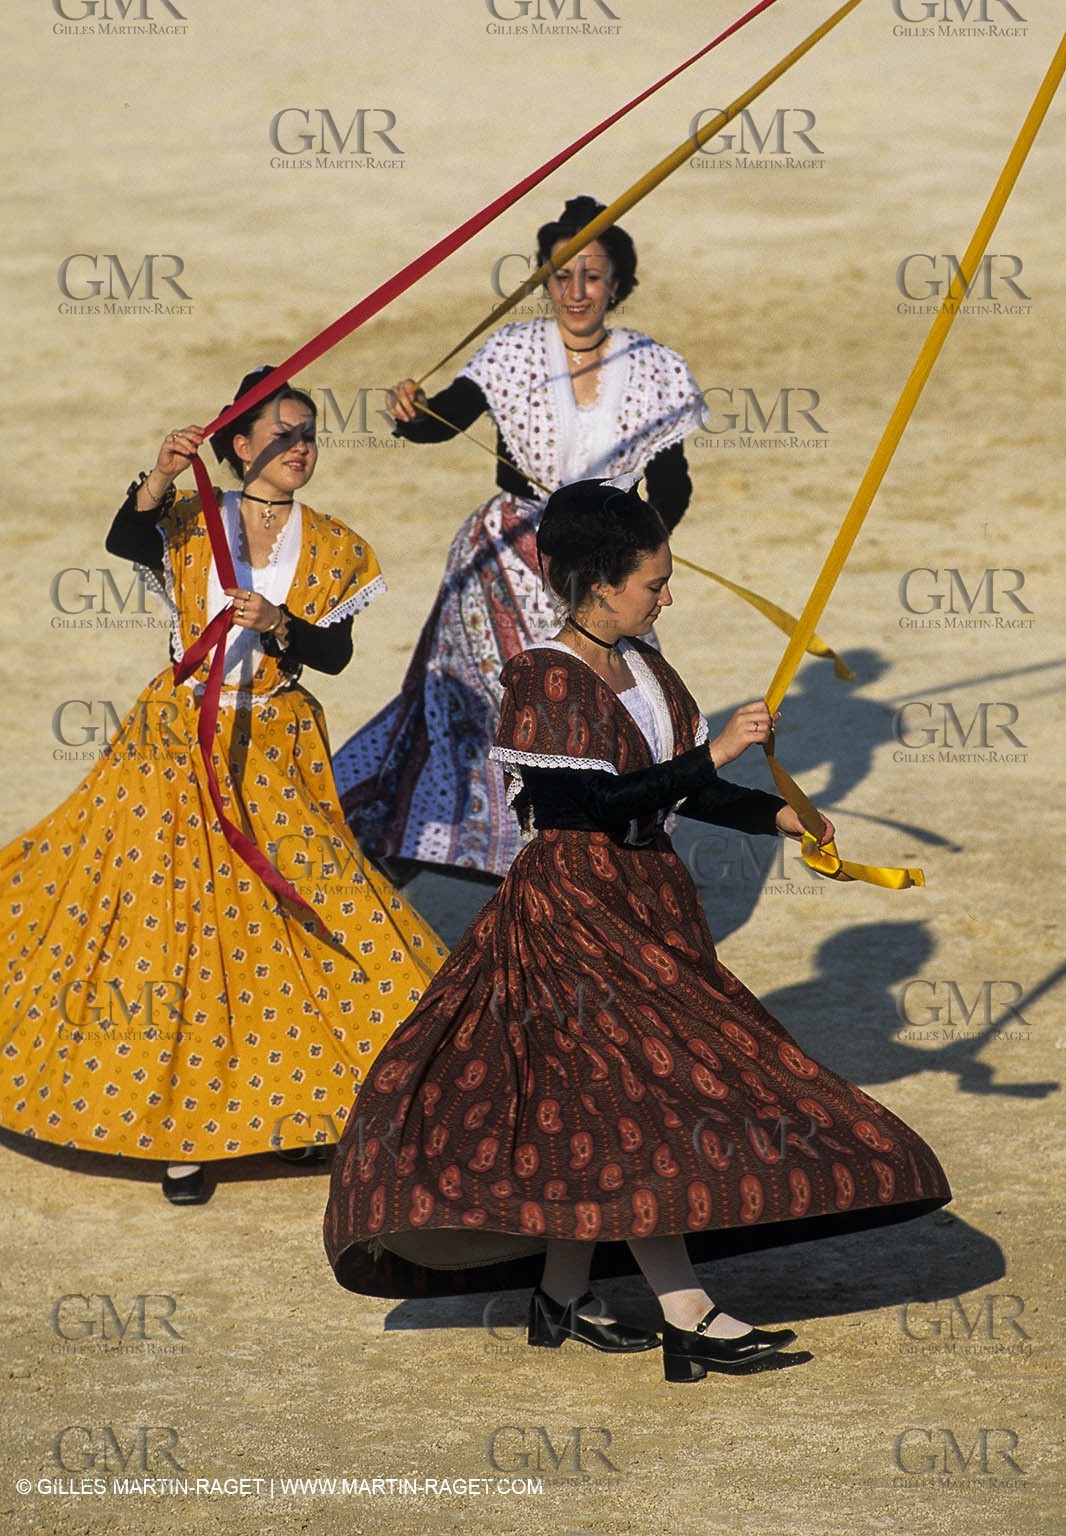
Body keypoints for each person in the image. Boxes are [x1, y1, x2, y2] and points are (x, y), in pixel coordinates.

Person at [324, 481, 950, 1384]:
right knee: (641, 1106)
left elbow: (685, 791)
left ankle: (561, 1295)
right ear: (601, 583)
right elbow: (587, 805)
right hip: (574, 912)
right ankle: (688, 1315)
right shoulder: (540, 677)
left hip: (651, 906)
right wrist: (715, 753)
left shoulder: (647, 664)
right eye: (653, 582)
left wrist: (780, 817)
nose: (666, 596)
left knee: (604, 1105)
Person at [0, 368, 446, 1205]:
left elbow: (337, 657)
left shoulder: (337, 545)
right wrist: (164, 471)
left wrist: (283, 627)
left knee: (309, 915)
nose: (299, 449)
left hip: (274, 746)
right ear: (239, 446)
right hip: (175, 747)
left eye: (309, 434)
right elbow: (121, 543)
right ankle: (182, 1139)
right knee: (174, 932)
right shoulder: (186, 521)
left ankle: (312, 1107)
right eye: (281, 435)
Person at [332, 195, 703, 882]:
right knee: (492, 716)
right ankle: (459, 855)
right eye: (561, 275)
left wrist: (637, 560)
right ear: (543, 280)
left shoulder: (656, 367)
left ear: (617, 283)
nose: (576, 291)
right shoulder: (513, 349)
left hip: (605, 570)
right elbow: (445, 421)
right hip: (506, 559)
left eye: (592, 275)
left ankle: (589, 862)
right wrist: (413, 412)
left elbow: (672, 485)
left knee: (615, 710)